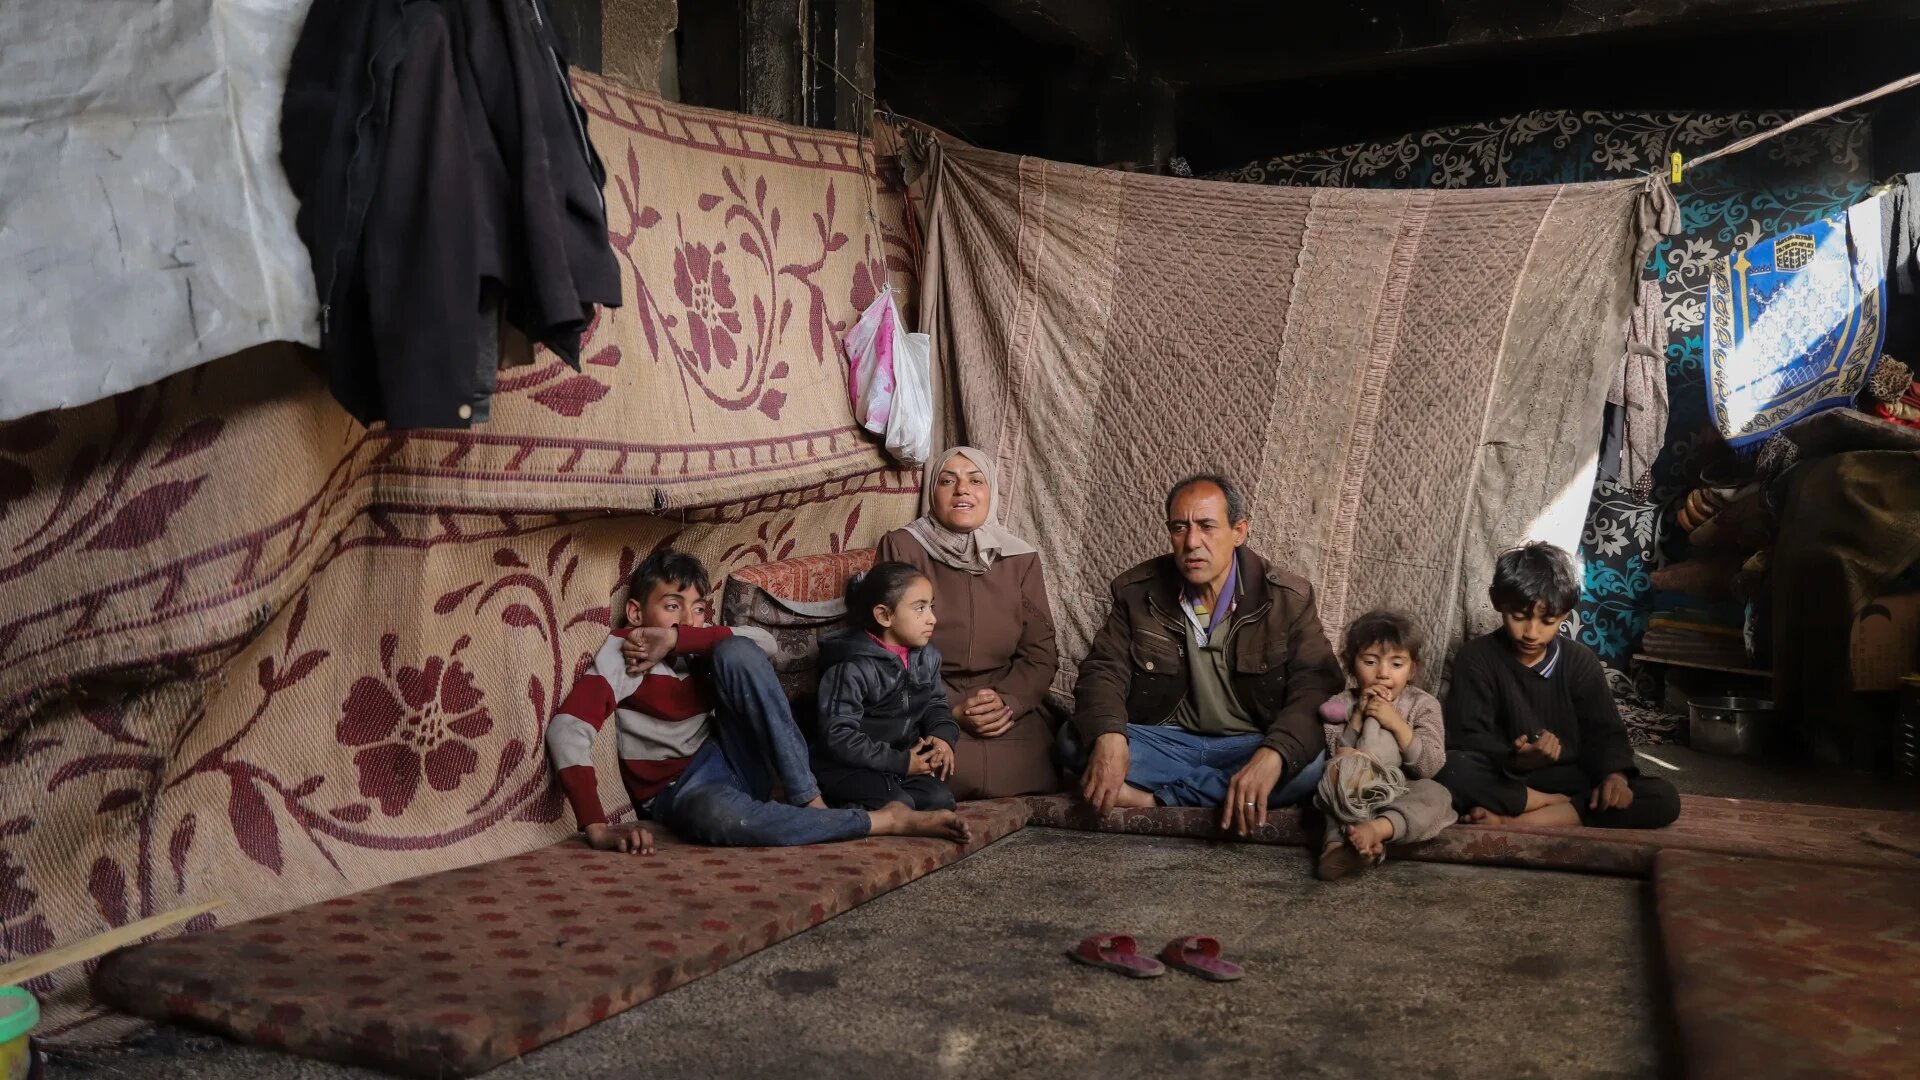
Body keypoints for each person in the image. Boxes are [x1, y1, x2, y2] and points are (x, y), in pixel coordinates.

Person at [545, 550, 972, 853]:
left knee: (738, 651)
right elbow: (568, 729)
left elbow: (762, 643)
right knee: (720, 818)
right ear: (637, 614)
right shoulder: (625, 650)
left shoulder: (696, 639)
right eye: (672, 606)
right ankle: (880, 822)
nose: (688, 618)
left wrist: (679, 637)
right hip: (682, 789)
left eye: (697, 609)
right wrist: (596, 827)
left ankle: (810, 801)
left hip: (737, 758)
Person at [1072, 474, 1342, 837]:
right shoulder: (1137, 590)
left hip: (1249, 745)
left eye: (1206, 526)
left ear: (1240, 531)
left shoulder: (1287, 598)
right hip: (1167, 742)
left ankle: (1152, 801)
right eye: (1179, 528)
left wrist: (1273, 754)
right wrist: (1110, 737)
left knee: (1311, 766)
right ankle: (1222, 792)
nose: (1192, 542)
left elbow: (1316, 688)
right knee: (1073, 741)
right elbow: (1104, 670)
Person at [1436, 542, 1681, 829]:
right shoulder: (1476, 658)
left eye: (1548, 620)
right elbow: (1468, 737)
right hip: (1509, 777)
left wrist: (1615, 777)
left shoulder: (1580, 662)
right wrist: (1516, 759)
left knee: (1663, 797)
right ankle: (1548, 806)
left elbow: (1605, 735)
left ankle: (1517, 820)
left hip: (1570, 777)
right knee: (1451, 771)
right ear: (1496, 601)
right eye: (1519, 617)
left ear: (1564, 614)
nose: (1531, 632)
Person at [876, 445, 1062, 799]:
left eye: (976, 480)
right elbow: (888, 649)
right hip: (925, 700)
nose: (962, 489)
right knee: (922, 774)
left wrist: (1009, 702)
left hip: (1001, 704)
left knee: (1042, 768)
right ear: (933, 492)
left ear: (990, 493)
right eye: (948, 481)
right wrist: (946, 710)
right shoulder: (903, 547)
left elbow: (1040, 653)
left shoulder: (1019, 558)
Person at [1313, 611, 1455, 881]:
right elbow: (1336, 754)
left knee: (1438, 795)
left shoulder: (1423, 705)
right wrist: (1356, 718)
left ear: (1412, 668)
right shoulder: (1343, 701)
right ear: (1352, 665)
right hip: (1353, 788)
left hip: (1399, 789)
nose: (1383, 673)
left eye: (1396, 664)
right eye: (1370, 661)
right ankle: (1335, 850)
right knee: (1332, 784)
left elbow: (1430, 766)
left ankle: (1377, 829)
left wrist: (1397, 723)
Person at [811, 562, 962, 811]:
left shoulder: (928, 656)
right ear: (884, 616)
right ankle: (848, 810)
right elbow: (837, 736)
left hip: (898, 765)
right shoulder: (851, 667)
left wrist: (943, 735)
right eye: (920, 608)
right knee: (898, 805)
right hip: (848, 768)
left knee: (941, 800)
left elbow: (936, 703)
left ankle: (884, 801)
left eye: (931, 607)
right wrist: (900, 761)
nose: (932, 619)